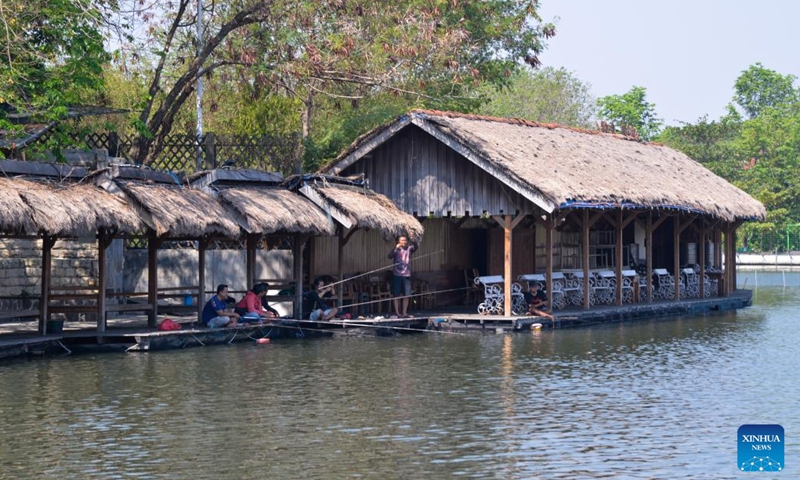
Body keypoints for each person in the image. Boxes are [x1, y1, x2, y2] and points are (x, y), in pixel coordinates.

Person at [388, 235, 418, 318]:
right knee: (396, 295)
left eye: (405, 240)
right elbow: (389, 256)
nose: (403, 242)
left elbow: (416, 246)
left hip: (407, 275)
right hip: (396, 275)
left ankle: (404, 313)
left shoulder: (409, 249)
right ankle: (397, 313)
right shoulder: (396, 250)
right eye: (402, 240)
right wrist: (395, 248)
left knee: (406, 295)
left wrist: (413, 238)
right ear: (398, 242)